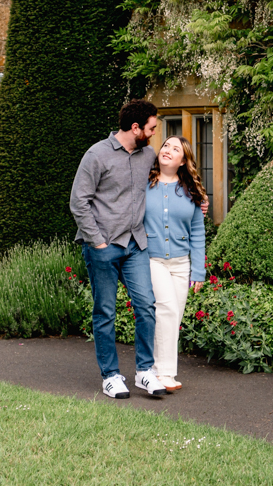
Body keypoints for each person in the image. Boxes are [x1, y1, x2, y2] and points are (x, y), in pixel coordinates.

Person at [70, 99, 167, 399]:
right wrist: (97, 241)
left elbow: (172, 176)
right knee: (105, 312)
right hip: (104, 246)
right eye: (151, 128)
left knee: (146, 307)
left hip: (135, 245)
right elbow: (79, 201)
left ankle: (144, 372)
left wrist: (198, 200)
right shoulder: (96, 155)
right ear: (135, 127)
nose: (154, 134)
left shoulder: (147, 154)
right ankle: (111, 376)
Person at [144, 136, 206, 392]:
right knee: (166, 309)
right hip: (153, 260)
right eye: (165, 145)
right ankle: (163, 373)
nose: (168, 150)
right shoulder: (144, 183)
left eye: (175, 149)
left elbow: (198, 232)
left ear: (183, 161)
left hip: (182, 264)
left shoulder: (192, 191)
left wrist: (199, 272)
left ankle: (159, 369)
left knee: (173, 316)